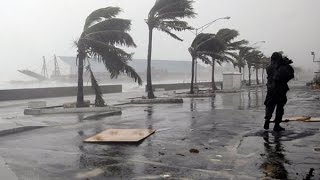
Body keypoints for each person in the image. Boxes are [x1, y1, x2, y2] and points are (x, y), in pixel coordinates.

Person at [264, 52, 294, 131]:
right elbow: (289, 75)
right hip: (280, 90)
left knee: (269, 106)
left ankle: (267, 120)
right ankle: (276, 125)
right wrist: (285, 64)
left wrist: (284, 63)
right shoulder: (282, 67)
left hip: (270, 90)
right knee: (280, 107)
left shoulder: (269, 67)